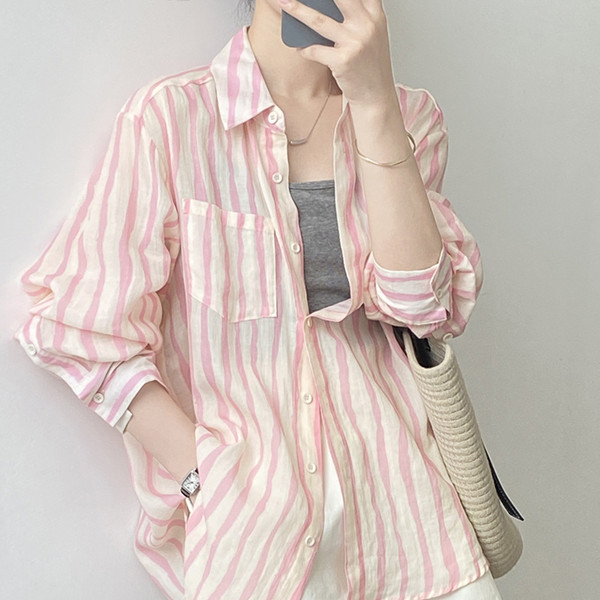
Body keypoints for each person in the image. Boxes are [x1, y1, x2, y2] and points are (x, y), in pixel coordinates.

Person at [11, 0, 504, 598]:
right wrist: (205, 476)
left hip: (414, 529)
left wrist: (375, 102)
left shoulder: (411, 117)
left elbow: (422, 309)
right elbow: (79, 331)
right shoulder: (173, 121)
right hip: (259, 545)